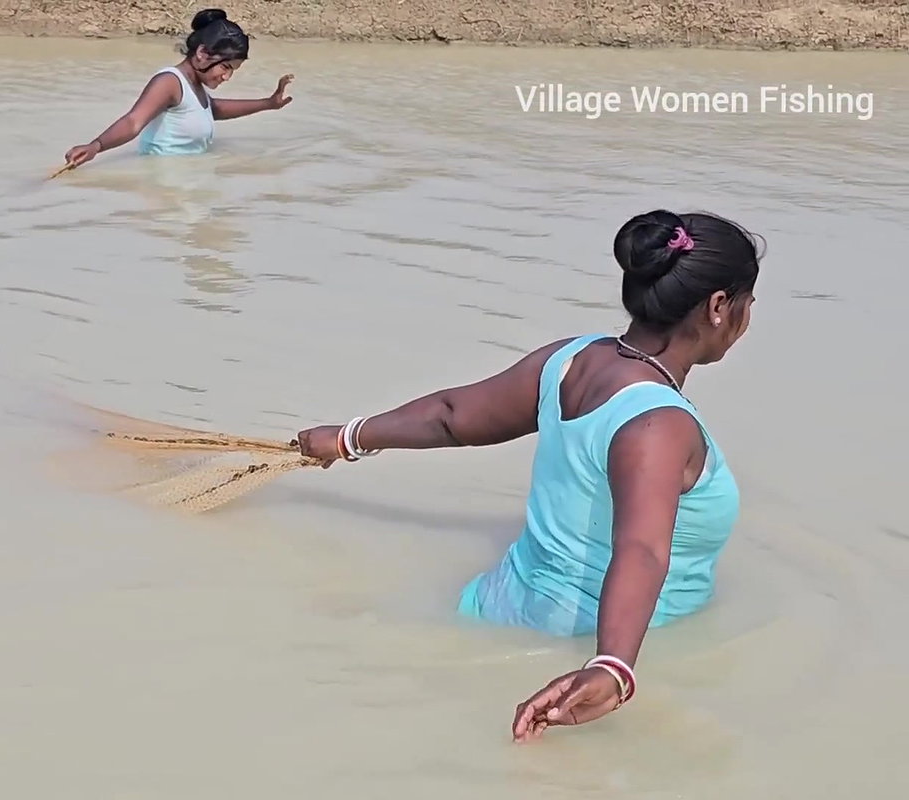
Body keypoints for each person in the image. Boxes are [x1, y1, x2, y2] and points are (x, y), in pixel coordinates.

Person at [293, 210, 762, 742]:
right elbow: (642, 550)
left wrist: (348, 437)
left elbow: (452, 416)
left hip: (493, 609)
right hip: (575, 656)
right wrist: (612, 667)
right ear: (718, 307)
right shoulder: (659, 425)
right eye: (748, 302)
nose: (749, 317)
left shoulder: (572, 360)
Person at [62, 9, 294, 168]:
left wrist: (268, 104)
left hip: (186, 181)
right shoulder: (169, 82)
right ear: (202, 53)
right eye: (225, 67)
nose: (227, 76)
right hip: (163, 185)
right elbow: (133, 122)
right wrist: (96, 146)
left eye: (233, 70)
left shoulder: (196, 87)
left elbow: (215, 109)